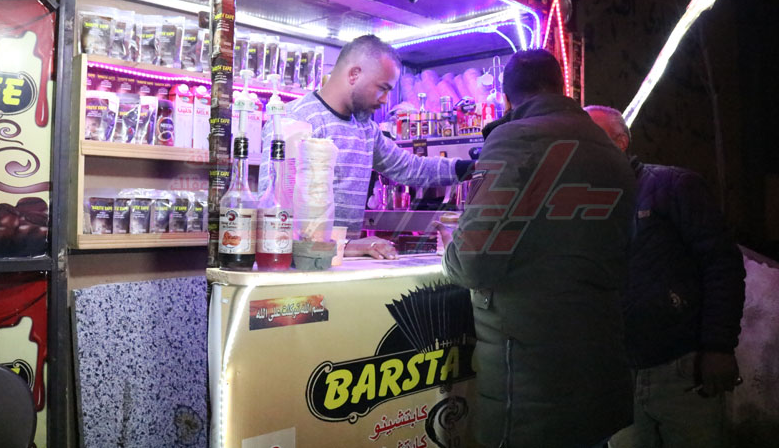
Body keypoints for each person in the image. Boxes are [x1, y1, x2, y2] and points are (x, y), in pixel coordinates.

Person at [440, 49, 636, 447]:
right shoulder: (609, 150)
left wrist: (450, 249)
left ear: (507, 99)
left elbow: (472, 263)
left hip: (529, 374)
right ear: (562, 88)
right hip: (601, 359)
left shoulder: (514, 138)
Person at [585, 105, 746, 448]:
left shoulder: (673, 186)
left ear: (621, 142)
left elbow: (722, 265)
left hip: (682, 370)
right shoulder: (580, 208)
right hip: (617, 376)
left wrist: (718, 347)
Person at [259, 35, 473, 259]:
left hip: (339, 266)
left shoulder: (366, 129)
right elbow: (273, 209)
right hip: (297, 266)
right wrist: (348, 246)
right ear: (354, 74)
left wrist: (472, 168)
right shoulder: (295, 120)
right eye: (383, 88)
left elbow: (410, 167)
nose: (385, 100)